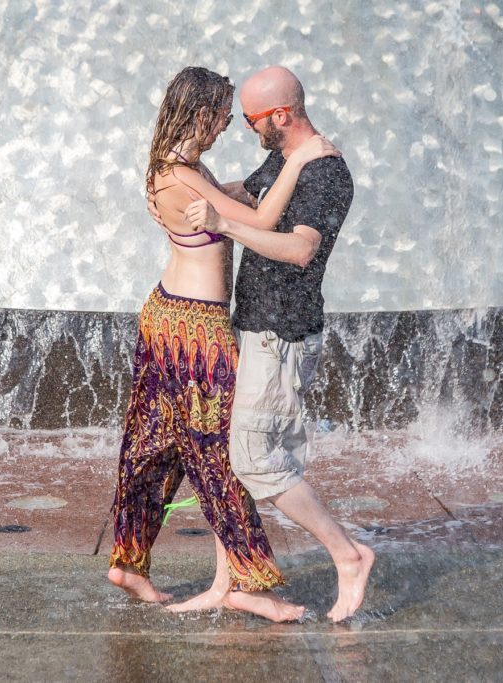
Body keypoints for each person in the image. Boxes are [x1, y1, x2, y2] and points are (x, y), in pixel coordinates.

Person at [107, 66, 339, 623]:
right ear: (201, 112)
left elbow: (229, 196)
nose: (228, 125)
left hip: (166, 314)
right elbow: (261, 217)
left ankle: (130, 563)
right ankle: (247, 582)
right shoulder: (184, 176)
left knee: (153, 444)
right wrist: (300, 161)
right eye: (223, 114)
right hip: (197, 331)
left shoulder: (175, 167)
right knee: (221, 455)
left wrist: (250, 182)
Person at [177, 65, 375, 623]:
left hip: (282, 335)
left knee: (259, 461)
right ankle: (230, 580)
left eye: (250, 119)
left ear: (280, 116)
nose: (245, 128)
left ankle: (349, 554)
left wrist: (223, 222)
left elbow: (299, 250)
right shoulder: (287, 156)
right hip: (257, 326)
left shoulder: (324, 171)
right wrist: (185, 175)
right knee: (251, 455)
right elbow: (248, 193)